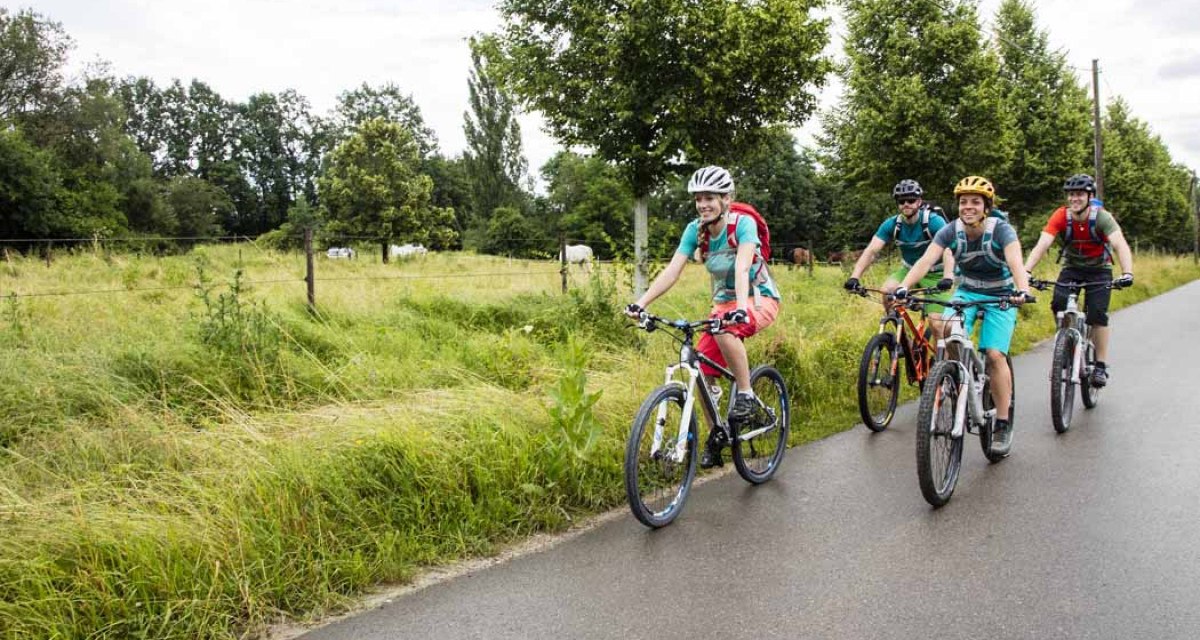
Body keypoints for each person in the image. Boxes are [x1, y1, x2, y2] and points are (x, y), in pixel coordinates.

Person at [624, 165, 782, 468]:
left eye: (709, 197)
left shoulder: (743, 224)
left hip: (758, 299)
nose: (702, 204)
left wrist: (739, 307)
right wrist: (640, 304)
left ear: (726, 198)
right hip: (724, 304)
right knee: (700, 366)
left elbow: (741, 267)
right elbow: (672, 271)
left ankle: (746, 393)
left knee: (724, 330)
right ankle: (717, 434)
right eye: (698, 199)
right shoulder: (695, 230)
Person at [895, 176, 1033, 454]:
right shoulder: (950, 231)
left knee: (994, 355)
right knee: (947, 331)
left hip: (1001, 294)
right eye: (963, 202)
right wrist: (903, 286)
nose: (968, 207)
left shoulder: (1002, 230)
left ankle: (1003, 423)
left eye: (975, 202)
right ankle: (957, 376)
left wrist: (1022, 289)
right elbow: (925, 260)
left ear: (986, 207)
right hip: (967, 291)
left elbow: (1016, 262)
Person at [1022, 173, 1134, 387]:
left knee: (1097, 315)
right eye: (1071, 195)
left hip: (1099, 270)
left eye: (1080, 195)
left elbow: (1120, 244)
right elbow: (1043, 243)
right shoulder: (1061, 216)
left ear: (1089, 196)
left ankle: (1100, 365)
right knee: (1058, 303)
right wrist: (1026, 270)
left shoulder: (1102, 217)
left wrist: (1127, 272)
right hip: (1072, 268)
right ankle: (1065, 340)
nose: (1075, 199)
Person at [844, 179, 955, 333]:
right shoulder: (892, 224)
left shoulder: (934, 222)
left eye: (911, 200)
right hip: (908, 270)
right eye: (902, 201)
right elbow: (871, 251)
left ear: (919, 201)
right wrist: (854, 277)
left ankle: (941, 357)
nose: (906, 204)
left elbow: (949, 249)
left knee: (937, 326)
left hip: (935, 273)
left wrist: (948, 276)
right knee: (887, 292)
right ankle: (900, 339)